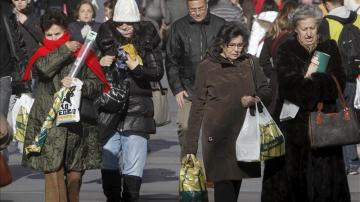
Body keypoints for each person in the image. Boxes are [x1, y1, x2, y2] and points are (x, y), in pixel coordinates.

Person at [261, 4, 351, 202]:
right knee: (294, 185)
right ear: (296, 29)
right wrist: (319, 85)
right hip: (294, 131)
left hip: (325, 129)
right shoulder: (286, 49)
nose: (309, 33)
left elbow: (338, 84)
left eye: (313, 28)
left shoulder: (329, 48)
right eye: (305, 29)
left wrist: (314, 81)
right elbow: (292, 88)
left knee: (326, 186)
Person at [21, 9, 109, 202]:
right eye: (49, 35)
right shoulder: (42, 53)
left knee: (75, 177)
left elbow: (97, 85)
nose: (53, 38)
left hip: (77, 125)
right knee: (53, 172)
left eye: (57, 34)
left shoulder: (83, 53)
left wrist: (80, 85)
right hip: (49, 122)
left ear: (66, 31)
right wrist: (64, 49)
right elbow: (44, 69)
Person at [183, 22, 271, 202]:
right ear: (222, 44)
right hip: (216, 137)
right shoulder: (207, 66)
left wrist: (254, 99)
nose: (236, 50)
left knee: (234, 186)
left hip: (244, 136)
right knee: (223, 187)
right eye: (232, 45)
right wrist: (189, 147)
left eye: (240, 45)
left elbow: (266, 90)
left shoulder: (250, 63)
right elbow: (198, 105)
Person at [96, 0, 164, 201]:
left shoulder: (148, 39)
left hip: (138, 107)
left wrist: (138, 69)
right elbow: (86, 71)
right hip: (109, 108)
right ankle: (112, 198)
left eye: (129, 22)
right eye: (120, 23)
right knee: (108, 159)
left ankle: (130, 198)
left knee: (134, 163)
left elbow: (158, 72)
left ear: (137, 21)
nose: (125, 27)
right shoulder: (103, 40)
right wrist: (100, 64)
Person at [166, 0, 225, 156]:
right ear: (188, 8)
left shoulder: (220, 25)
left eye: (200, 9)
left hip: (215, 89)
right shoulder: (178, 27)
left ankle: (213, 173)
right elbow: (171, 60)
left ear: (207, 6)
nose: (197, 13)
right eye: (193, 10)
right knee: (185, 127)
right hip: (188, 89)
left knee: (213, 132)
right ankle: (188, 166)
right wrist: (177, 88)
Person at [318, 0, 360, 175]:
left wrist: (317, 76)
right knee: (348, 115)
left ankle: (341, 162)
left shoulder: (326, 22)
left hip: (333, 77)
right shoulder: (357, 19)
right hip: (353, 76)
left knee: (334, 119)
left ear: (327, 3)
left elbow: (323, 52)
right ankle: (353, 162)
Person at [259, 1, 298, 119]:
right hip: (295, 82)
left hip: (276, 82)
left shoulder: (272, 33)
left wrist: (272, 74)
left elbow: (263, 60)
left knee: (276, 118)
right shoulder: (297, 36)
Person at [0, 0, 28, 114]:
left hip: (5, 75)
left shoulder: (6, 10)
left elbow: (19, 43)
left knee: (3, 123)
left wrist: (24, 72)